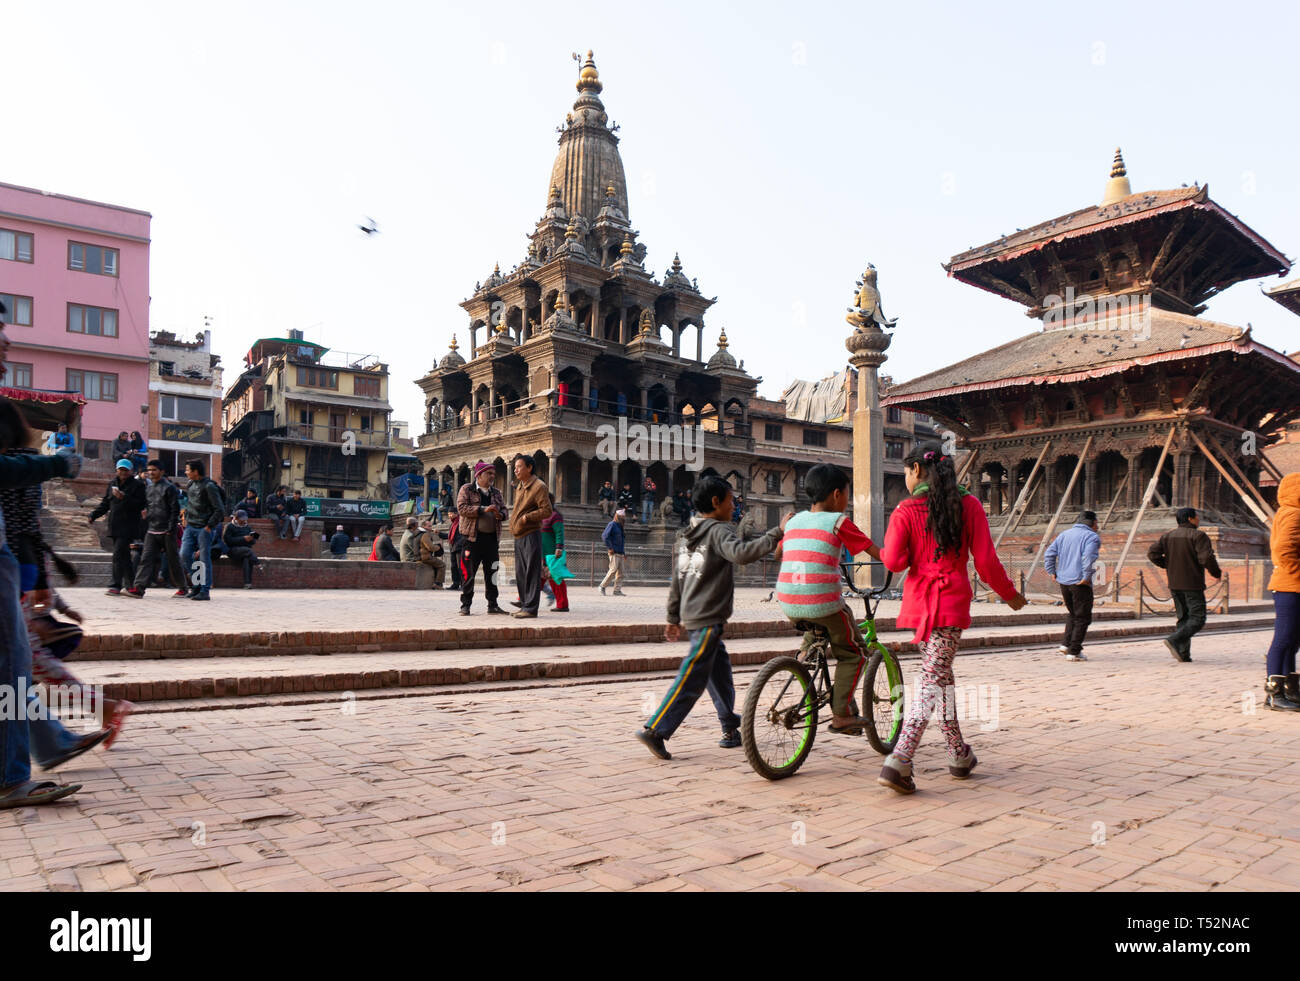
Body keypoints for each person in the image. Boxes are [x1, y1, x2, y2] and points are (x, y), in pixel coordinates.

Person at [877, 445, 1026, 794]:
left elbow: (894, 563)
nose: (906, 478)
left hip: (921, 603)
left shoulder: (905, 509)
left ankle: (958, 753)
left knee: (937, 677)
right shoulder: (970, 505)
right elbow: (986, 562)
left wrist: (886, 548)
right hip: (951, 602)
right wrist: (1010, 595)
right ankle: (901, 758)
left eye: (906, 472)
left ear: (916, 469)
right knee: (935, 678)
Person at [636, 476, 786, 760]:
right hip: (707, 618)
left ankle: (730, 727)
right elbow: (741, 554)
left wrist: (672, 616)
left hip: (696, 616)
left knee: (719, 675)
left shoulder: (687, 535)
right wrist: (776, 533)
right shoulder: (719, 531)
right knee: (692, 675)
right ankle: (656, 729)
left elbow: (678, 579)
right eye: (731, 500)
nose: (734, 506)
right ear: (716, 502)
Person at [777, 464, 882, 733]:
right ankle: (842, 715)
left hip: (788, 601)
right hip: (822, 601)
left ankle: (804, 657)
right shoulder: (839, 522)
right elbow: (877, 553)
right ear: (837, 494)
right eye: (847, 494)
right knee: (855, 653)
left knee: (814, 626)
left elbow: (779, 554)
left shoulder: (793, 521)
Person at [1147, 507, 1222, 663]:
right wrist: (1216, 573)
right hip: (1192, 583)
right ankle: (1174, 639)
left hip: (1174, 583)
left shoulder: (1167, 536)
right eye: (1196, 517)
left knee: (1183, 617)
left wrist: (1167, 564)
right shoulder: (1198, 536)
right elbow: (1206, 558)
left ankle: (1183, 653)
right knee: (1198, 618)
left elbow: (1152, 553)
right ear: (1189, 518)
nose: (1198, 520)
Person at [1044, 510, 1101, 662]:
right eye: (1097, 522)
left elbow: (1049, 553)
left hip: (1064, 581)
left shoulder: (1064, 534)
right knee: (1083, 617)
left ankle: (1066, 644)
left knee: (1073, 613)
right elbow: (1088, 557)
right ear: (1093, 523)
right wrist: (1086, 576)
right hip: (1079, 582)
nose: (1098, 525)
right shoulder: (1092, 537)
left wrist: (1052, 571)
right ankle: (1074, 651)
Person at [1264, 473, 1300, 710]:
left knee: (1293, 640)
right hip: (1291, 583)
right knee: (1284, 637)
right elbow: (1284, 548)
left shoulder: (1288, 511)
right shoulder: (1294, 513)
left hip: (1291, 583)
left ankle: (1290, 689)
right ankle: (1274, 694)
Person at [126, 460, 185, 598]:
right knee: (146, 559)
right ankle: (139, 588)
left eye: (154, 470)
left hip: (167, 530)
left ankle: (183, 588)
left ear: (162, 472)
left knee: (173, 560)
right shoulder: (148, 488)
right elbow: (147, 506)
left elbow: (174, 510)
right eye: (149, 470)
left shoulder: (169, 488)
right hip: (152, 529)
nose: (151, 472)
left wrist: (171, 529)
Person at [88, 460, 146, 595]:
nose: (123, 472)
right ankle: (131, 585)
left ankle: (115, 585)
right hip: (115, 525)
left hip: (128, 526)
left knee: (118, 554)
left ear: (131, 471)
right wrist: (93, 515)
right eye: (121, 470)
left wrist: (124, 497)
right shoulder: (112, 484)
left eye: (126, 470)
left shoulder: (137, 486)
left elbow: (140, 504)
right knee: (124, 556)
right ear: (116, 470)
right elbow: (106, 503)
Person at [456, 461, 507, 615]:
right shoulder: (467, 489)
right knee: (468, 573)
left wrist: (500, 514)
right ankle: (465, 605)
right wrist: (484, 509)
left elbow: (505, 511)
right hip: (472, 539)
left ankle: (493, 604)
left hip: (491, 539)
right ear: (479, 475)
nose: (492, 476)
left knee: (492, 573)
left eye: (493, 474)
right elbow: (462, 508)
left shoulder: (496, 493)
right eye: (488, 473)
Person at [508, 454, 552, 619]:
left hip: (531, 533)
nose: (516, 470)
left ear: (529, 468)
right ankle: (525, 604)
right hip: (519, 534)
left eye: (519, 467)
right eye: (515, 467)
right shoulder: (520, 486)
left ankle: (531, 608)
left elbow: (546, 510)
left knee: (531, 572)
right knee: (521, 572)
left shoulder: (539, 486)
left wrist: (527, 518)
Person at [179, 458, 224, 601]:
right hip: (191, 526)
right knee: (184, 554)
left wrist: (209, 527)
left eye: (187, 470)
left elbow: (219, 510)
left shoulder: (209, 486)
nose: (186, 472)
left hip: (204, 528)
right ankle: (196, 585)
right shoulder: (190, 484)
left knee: (204, 560)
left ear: (195, 471)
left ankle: (204, 591)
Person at [540, 495, 572, 612]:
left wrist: (559, 547)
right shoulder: (541, 516)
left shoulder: (554, 516)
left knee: (556, 580)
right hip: (541, 554)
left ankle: (563, 605)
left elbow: (559, 532)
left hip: (552, 554)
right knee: (536, 579)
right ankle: (523, 600)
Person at [223, 511, 262, 588]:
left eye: (245, 519)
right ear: (236, 518)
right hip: (233, 550)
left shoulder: (248, 527)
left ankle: (247, 583)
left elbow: (253, 541)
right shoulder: (229, 526)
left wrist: (251, 539)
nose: (244, 521)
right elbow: (228, 541)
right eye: (242, 519)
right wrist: (243, 539)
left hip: (245, 550)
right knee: (248, 551)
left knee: (247, 558)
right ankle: (257, 563)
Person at [600, 508, 627, 596]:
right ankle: (602, 586)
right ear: (618, 516)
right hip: (614, 552)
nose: (624, 518)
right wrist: (610, 547)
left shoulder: (620, 527)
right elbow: (605, 536)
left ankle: (617, 590)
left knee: (621, 572)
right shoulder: (612, 524)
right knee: (613, 570)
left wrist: (624, 553)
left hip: (620, 553)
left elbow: (622, 541)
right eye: (622, 516)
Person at [418, 519, 446, 587]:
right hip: (425, 556)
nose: (431, 528)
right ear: (424, 526)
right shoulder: (425, 534)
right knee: (442, 565)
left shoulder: (418, 532)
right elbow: (431, 547)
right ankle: (438, 584)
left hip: (419, 555)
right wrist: (439, 547)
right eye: (429, 526)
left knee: (436, 563)